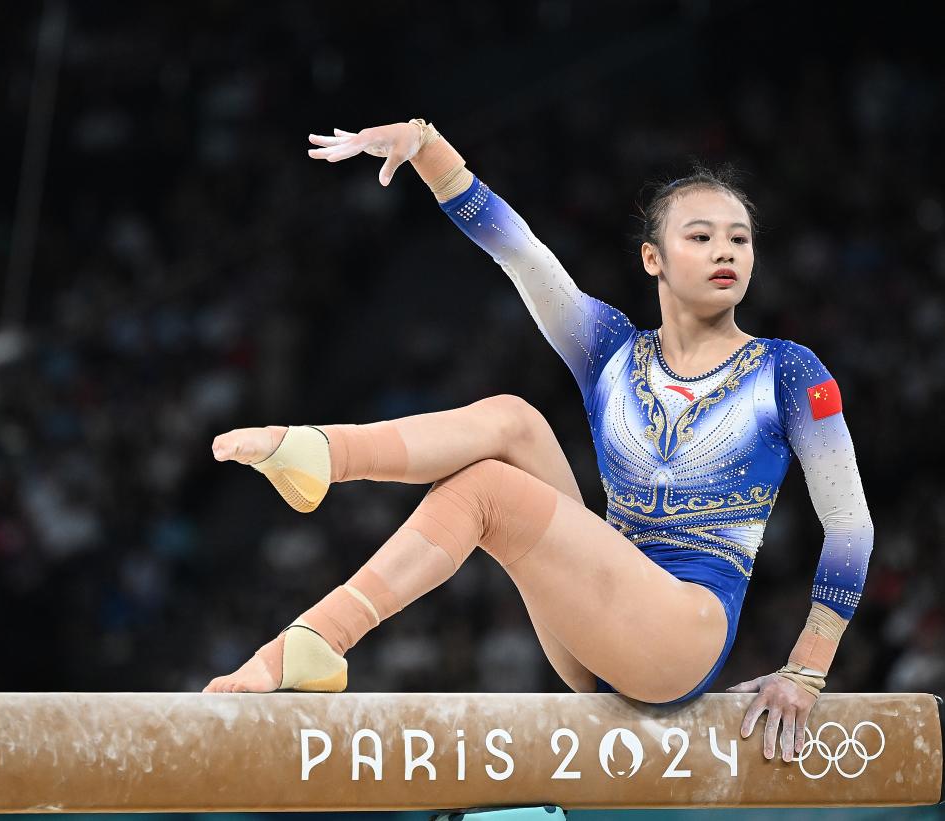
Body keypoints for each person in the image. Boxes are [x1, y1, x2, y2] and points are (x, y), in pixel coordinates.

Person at [201, 119, 874, 764]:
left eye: (740, 239)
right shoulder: (610, 350)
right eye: (700, 236)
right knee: (513, 419)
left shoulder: (789, 372)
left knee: (487, 490)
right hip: (593, 627)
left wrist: (806, 670)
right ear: (653, 258)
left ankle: (318, 637)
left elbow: (850, 526)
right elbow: (520, 252)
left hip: (681, 639)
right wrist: (428, 149)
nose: (725, 251)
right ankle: (324, 454)